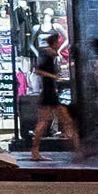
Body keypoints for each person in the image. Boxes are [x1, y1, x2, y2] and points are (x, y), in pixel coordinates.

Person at [30, 33, 81, 161]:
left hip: (50, 93)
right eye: (58, 42)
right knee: (46, 123)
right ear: (54, 43)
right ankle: (35, 151)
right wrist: (54, 77)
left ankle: (78, 149)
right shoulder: (47, 56)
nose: (59, 44)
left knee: (62, 121)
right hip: (49, 94)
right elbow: (38, 71)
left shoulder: (50, 55)